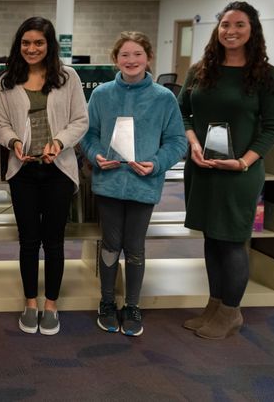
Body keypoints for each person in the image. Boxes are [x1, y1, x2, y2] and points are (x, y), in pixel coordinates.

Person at [178, 1, 274, 339]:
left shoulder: (270, 77)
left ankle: (231, 312)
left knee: (233, 241)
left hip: (239, 172)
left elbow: (272, 127)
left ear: (252, 30)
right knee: (211, 239)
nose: (231, 31)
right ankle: (214, 305)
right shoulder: (201, 70)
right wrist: (193, 143)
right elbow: (182, 112)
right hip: (203, 167)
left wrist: (243, 161)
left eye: (239, 24)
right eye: (225, 24)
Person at [81, 32, 187, 336]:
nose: (131, 60)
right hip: (109, 183)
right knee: (111, 244)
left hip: (144, 183)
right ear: (115, 59)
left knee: (135, 246)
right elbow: (87, 136)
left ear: (149, 58)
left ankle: (132, 305)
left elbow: (177, 141)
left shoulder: (163, 98)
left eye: (137, 54)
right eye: (125, 55)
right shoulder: (101, 94)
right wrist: (96, 154)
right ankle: (106, 302)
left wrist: (157, 163)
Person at [0, 16, 88, 335]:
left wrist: (59, 142)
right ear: (18, 45)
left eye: (38, 43)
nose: (31, 49)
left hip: (58, 170)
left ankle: (51, 304)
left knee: (55, 241)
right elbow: (1, 124)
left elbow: (80, 120)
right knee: (29, 241)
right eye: (26, 43)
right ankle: (30, 302)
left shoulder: (68, 77)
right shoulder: (7, 81)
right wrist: (14, 142)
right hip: (24, 171)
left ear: (49, 46)